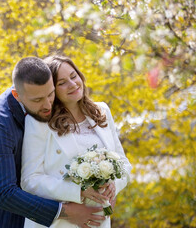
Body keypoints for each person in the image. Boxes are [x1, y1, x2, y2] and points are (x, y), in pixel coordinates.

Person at [0, 57, 106, 228]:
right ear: (17, 95)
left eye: (50, 94)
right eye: (37, 100)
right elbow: (4, 193)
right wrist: (67, 212)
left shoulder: (44, 103)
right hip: (0, 221)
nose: (48, 104)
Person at [21, 55, 132, 228]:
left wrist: (114, 185)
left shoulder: (102, 111)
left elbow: (124, 163)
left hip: (98, 220)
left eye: (73, 76)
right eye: (62, 82)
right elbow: (30, 180)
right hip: (59, 222)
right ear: (51, 91)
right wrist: (78, 192)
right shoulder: (39, 121)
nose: (72, 84)